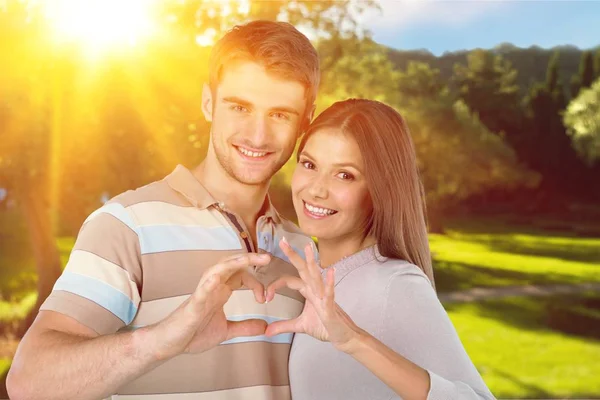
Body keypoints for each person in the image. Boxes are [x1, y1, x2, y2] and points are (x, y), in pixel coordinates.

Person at [7, 20, 320, 400]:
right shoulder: (127, 225)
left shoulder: (305, 250)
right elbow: (29, 382)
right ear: (208, 102)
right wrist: (161, 341)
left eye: (280, 114)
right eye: (239, 107)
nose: (257, 135)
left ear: (305, 121)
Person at [264, 99, 496, 399]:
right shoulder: (318, 279)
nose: (316, 189)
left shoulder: (394, 285)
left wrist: (355, 342)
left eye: (344, 174)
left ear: (378, 188)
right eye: (309, 165)